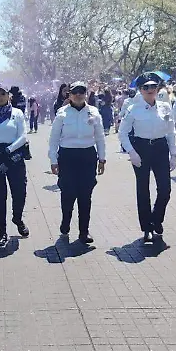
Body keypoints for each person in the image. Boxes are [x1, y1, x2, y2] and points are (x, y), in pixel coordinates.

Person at [118, 73, 176, 243]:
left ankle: (157, 219)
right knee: (143, 189)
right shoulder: (133, 108)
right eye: (146, 87)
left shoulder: (165, 107)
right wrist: (131, 152)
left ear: (158, 88)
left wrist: (173, 154)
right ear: (140, 90)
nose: (150, 90)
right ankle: (147, 227)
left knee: (165, 189)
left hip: (160, 148)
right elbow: (122, 133)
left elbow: (171, 132)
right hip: (141, 148)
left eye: (153, 87)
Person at [48, 81, 106, 244]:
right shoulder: (62, 113)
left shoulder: (94, 112)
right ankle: (65, 222)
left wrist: (102, 158)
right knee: (67, 193)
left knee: (85, 195)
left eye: (82, 91)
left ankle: (84, 231)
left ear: (86, 94)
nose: (78, 94)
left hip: (87, 156)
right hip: (67, 156)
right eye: (75, 92)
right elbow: (53, 139)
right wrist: (53, 160)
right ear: (69, 94)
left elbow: (100, 137)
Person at [0, 83, 30, 248]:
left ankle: (18, 218)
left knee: (19, 191)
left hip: (14, 155)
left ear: (9, 96)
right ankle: (2, 232)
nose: (0, 97)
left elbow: (23, 136)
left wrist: (8, 150)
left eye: (3, 94)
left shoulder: (17, 113)